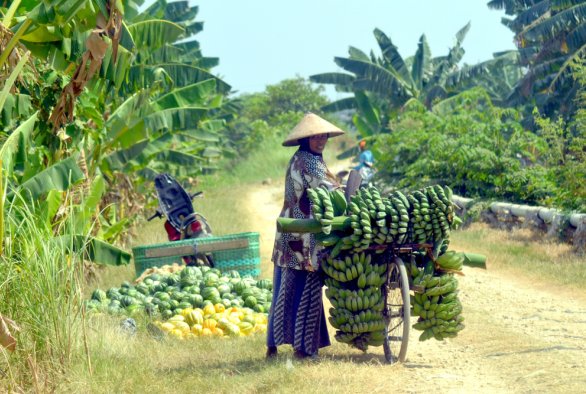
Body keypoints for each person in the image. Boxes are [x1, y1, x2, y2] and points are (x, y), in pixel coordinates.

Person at [266, 112, 345, 360]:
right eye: (316, 137)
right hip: (303, 236)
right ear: (306, 139)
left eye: (323, 136)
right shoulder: (307, 161)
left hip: (291, 234)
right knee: (306, 289)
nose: (321, 140)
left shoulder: (304, 158)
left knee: (284, 289)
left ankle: (274, 345)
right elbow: (326, 189)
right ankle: (302, 348)